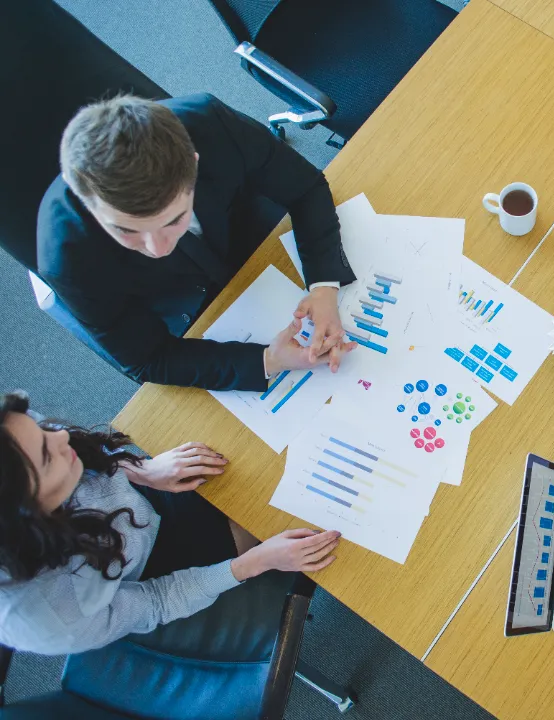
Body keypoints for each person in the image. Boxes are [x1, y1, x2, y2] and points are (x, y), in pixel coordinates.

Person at [37, 93, 357, 390]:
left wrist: (324, 286)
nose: (158, 249)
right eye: (126, 231)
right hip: (184, 301)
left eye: (174, 220)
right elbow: (148, 358)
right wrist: (267, 360)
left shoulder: (210, 122)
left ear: (194, 161)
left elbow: (305, 187)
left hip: (248, 233)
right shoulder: (65, 255)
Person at [0, 392, 341, 655]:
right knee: (291, 514)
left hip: (139, 499)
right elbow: (157, 600)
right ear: (26, 521)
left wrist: (138, 470)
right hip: (150, 566)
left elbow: (68, 445)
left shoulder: (15, 440)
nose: (60, 437)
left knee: (252, 453)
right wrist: (257, 562)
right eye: (47, 456)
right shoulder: (51, 619)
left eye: (41, 428)